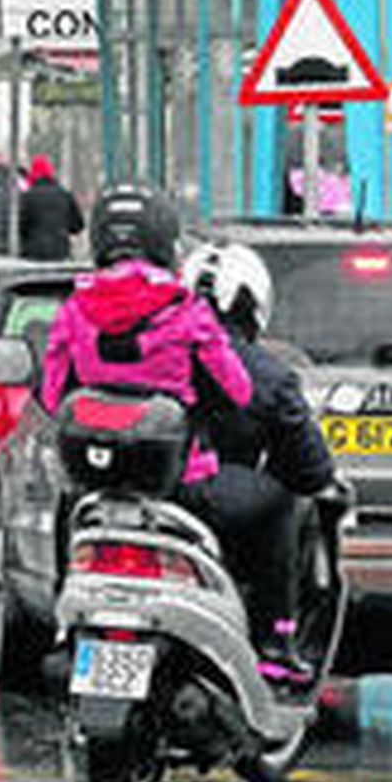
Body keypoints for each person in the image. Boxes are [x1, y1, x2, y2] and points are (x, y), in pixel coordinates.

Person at [39, 187, 313, 683]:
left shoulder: (75, 310)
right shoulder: (187, 311)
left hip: (98, 486)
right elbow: (238, 389)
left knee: (69, 512)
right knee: (276, 503)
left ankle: (65, 627)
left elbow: (52, 391)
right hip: (182, 484)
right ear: (165, 243)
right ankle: (276, 638)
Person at [181, 241, 340, 685]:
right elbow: (311, 470)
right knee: (285, 503)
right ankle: (275, 639)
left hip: (141, 490)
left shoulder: (148, 348)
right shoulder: (267, 372)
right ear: (252, 302)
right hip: (210, 493)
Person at [18, 154, 84, 261]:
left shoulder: (26, 197)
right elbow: (78, 226)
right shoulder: (64, 195)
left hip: (34, 254)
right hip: (60, 253)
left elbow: (21, 226)